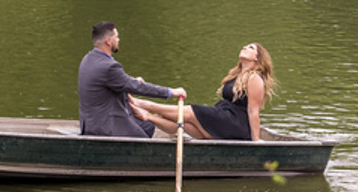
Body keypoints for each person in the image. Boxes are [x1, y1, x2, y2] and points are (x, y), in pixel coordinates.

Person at [132, 42, 275, 141]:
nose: (244, 47)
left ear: (257, 57)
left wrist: (255, 139)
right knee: (183, 124)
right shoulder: (236, 75)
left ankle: (145, 105)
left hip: (236, 123)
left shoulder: (255, 78)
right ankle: (148, 116)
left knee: (189, 111)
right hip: (224, 115)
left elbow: (253, 111)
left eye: (250, 47)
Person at [78, 21, 186, 137]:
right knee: (144, 142)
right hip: (105, 127)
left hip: (91, 122)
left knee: (148, 126)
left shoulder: (88, 58)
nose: (118, 40)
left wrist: (132, 81)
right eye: (117, 37)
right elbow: (137, 87)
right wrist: (171, 92)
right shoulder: (109, 67)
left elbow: (115, 81)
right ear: (108, 41)